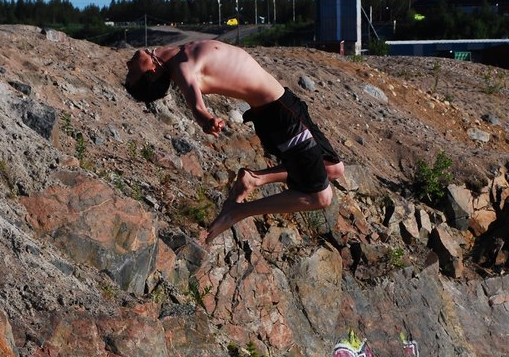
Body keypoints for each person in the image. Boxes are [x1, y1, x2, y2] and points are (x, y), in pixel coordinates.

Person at [124, 40, 344, 244]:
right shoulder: (181, 68)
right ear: (151, 74)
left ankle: (254, 180)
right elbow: (197, 105)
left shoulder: (178, 52)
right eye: (131, 72)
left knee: (333, 168)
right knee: (320, 198)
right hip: (282, 118)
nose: (127, 63)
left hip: (286, 104)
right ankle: (238, 212)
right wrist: (206, 119)